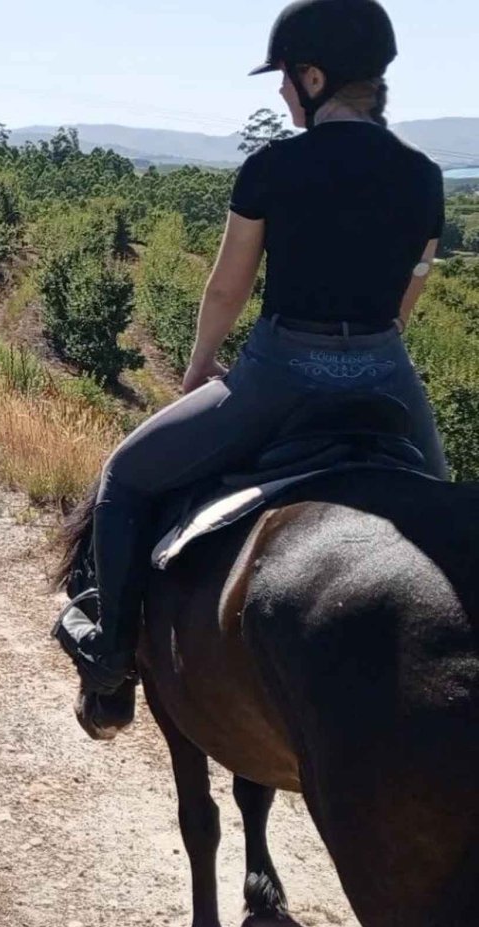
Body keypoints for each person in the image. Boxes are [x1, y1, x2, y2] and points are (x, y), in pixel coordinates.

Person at [54, 0, 450, 728]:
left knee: (125, 476)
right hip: (387, 379)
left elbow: (228, 286)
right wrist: (366, 358)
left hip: (279, 377)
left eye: (284, 79)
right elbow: (404, 304)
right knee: (446, 510)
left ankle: (110, 662)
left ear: (313, 76)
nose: (279, 93)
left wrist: (201, 366)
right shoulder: (426, 178)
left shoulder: (272, 167)